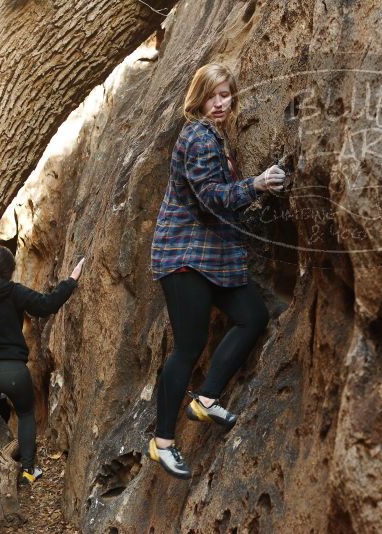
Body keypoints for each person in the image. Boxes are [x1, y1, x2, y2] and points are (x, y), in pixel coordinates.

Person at [148, 63, 285, 479]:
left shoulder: (213, 136)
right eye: (213, 95)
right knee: (187, 348)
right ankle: (162, 443)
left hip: (209, 257)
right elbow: (210, 198)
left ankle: (205, 401)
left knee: (252, 316)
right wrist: (256, 185)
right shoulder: (198, 136)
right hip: (184, 257)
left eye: (226, 94)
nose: (221, 102)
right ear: (199, 98)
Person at [0, 245, 84, 517]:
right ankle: (28, 470)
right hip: (14, 371)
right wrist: (71, 280)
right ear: (10, 271)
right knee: (26, 413)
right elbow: (46, 305)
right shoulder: (14, 293)